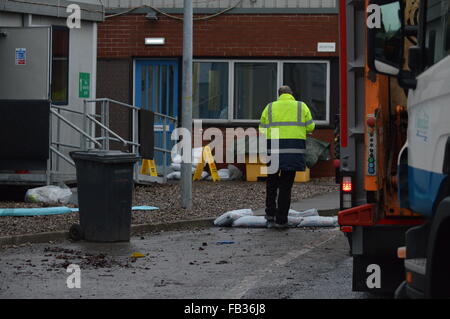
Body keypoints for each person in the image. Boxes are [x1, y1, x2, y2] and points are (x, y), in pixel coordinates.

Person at [259, 85, 315, 228]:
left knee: (271, 183)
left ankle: (270, 214)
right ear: (291, 94)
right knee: (286, 185)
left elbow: (262, 129)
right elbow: (310, 127)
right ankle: (281, 220)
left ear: (279, 95)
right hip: (293, 151)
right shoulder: (301, 106)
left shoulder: (270, 107)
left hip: (274, 149)